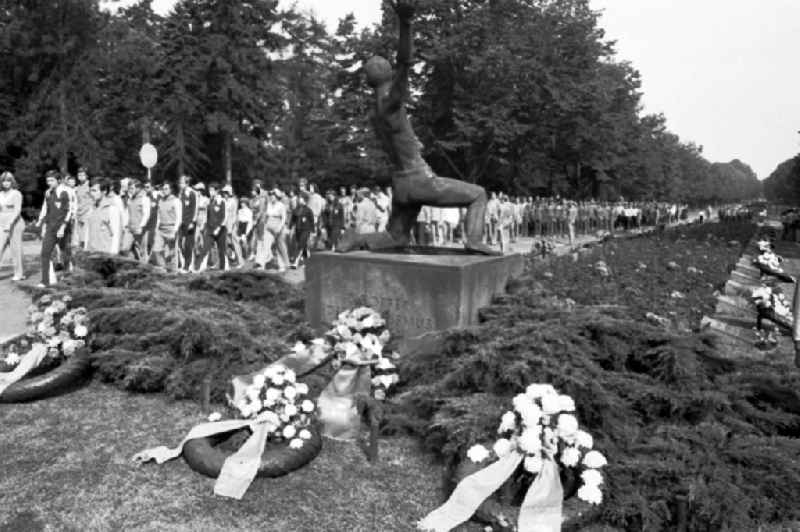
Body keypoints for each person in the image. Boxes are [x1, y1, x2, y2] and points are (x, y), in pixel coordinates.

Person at [37, 171, 71, 286]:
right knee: (45, 253)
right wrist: (42, 224)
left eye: (52, 180)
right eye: (48, 181)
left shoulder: (65, 192)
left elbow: (69, 211)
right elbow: (47, 210)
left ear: (58, 181)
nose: (49, 183)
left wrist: (63, 227)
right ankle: (45, 281)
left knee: (65, 253)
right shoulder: (48, 193)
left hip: (62, 229)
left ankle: (68, 279)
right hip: (50, 228)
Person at [84, 178, 121, 254]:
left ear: (104, 192)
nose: (91, 193)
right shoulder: (91, 209)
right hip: (91, 252)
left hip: (105, 254)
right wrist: (86, 248)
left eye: (94, 191)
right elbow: (88, 231)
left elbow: (115, 234)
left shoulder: (112, 208)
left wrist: (113, 254)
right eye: (90, 190)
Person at [0, 171, 24, 281]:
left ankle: (18, 273)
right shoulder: (0, 194)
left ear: (12, 182)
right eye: (4, 181)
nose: (6, 183)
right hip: (1, 222)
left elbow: (17, 210)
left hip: (15, 223)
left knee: (15, 249)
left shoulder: (16, 193)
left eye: (8, 181)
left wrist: (10, 223)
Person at [152, 182, 181, 271]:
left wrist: (174, 231)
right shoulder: (160, 201)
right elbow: (159, 216)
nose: (164, 191)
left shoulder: (176, 201)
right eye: (163, 189)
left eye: (166, 189)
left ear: (171, 190)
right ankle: (163, 268)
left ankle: (173, 272)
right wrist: (156, 228)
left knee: (172, 254)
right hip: (161, 230)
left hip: (171, 230)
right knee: (156, 250)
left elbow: (179, 217)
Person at [203, 183, 229, 271]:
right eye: (209, 190)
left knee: (221, 249)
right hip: (210, 228)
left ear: (216, 191)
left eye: (212, 190)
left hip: (221, 229)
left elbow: (225, 216)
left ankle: (223, 268)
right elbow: (208, 215)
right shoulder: (210, 201)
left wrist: (219, 228)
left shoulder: (222, 201)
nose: (210, 192)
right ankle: (202, 266)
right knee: (206, 246)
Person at [263, 189, 289, 272]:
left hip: (278, 224)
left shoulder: (281, 205)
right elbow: (267, 215)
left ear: (277, 197)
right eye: (270, 196)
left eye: (273, 196)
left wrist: (280, 227)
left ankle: (283, 265)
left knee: (280, 246)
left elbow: (284, 218)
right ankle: (262, 263)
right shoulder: (269, 204)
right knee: (266, 244)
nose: (271, 197)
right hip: (268, 224)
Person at [126, 179, 151, 262]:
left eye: (132, 188)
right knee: (127, 249)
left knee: (142, 252)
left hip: (140, 230)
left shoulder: (144, 199)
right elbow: (127, 213)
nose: (130, 190)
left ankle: (144, 269)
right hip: (130, 229)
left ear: (138, 188)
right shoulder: (130, 199)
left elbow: (146, 214)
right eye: (129, 188)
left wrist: (141, 226)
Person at [177, 175, 198, 272]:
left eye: (181, 183)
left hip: (189, 222)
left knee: (188, 244)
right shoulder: (181, 193)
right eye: (179, 182)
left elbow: (195, 208)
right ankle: (184, 263)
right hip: (181, 222)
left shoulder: (193, 193)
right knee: (180, 243)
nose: (180, 184)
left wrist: (193, 222)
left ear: (187, 183)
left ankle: (188, 266)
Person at [289, 192, 315, 268]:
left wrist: (313, 231)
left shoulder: (308, 210)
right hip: (298, 229)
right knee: (300, 244)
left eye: (300, 198)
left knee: (300, 245)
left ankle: (295, 262)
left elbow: (312, 221)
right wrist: (290, 228)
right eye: (299, 198)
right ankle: (305, 254)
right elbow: (292, 220)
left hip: (306, 229)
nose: (299, 199)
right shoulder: (295, 209)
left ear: (304, 200)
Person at [73, 167, 92, 249]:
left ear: (87, 176)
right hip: (79, 213)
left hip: (87, 213)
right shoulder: (78, 187)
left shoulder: (90, 186)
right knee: (80, 237)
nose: (80, 176)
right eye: (79, 175)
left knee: (86, 237)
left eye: (82, 175)